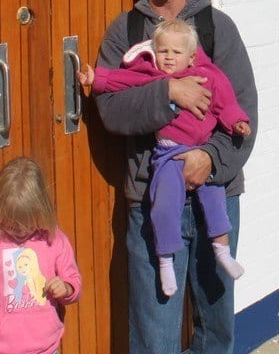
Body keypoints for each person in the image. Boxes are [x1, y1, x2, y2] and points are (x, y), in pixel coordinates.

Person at [94, 0, 258, 354]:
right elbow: (110, 108)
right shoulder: (123, 32)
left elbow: (243, 112)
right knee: (154, 333)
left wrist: (210, 159)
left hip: (217, 195)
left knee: (216, 325)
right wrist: (169, 92)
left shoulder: (216, 27)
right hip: (149, 197)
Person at [79, 18, 251, 297]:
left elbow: (227, 104)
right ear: (154, 52)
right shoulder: (153, 76)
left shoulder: (209, 76)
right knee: (165, 204)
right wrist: (95, 78)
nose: (169, 58)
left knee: (215, 197)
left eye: (176, 53)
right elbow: (120, 81)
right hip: (169, 155)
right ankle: (165, 260)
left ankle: (222, 250)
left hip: (203, 151)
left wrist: (238, 122)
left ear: (192, 57)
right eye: (163, 52)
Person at [0, 157, 82, 354]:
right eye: (12, 224)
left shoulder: (54, 240)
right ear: (0, 211)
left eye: (28, 223)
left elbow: (74, 283)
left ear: (41, 210)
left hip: (46, 350)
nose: (20, 231)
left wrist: (67, 288)